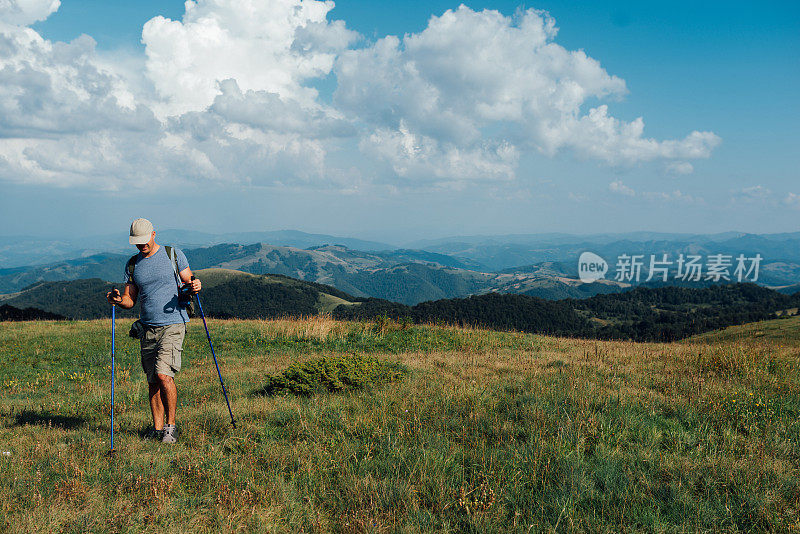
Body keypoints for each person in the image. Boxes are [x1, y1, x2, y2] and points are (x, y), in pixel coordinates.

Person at [106, 218, 201, 444]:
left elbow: (189, 280)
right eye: (137, 242)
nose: (142, 245)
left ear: (154, 234)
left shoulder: (173, 255)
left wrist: (196, 285)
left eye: (144, 240)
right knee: (152, 381)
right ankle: (157, 429)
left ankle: (171, 427)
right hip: (147, 328)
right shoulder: (133, 264)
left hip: (174, 323)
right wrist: (118, 300)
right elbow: (130, 300)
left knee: (163, 375)